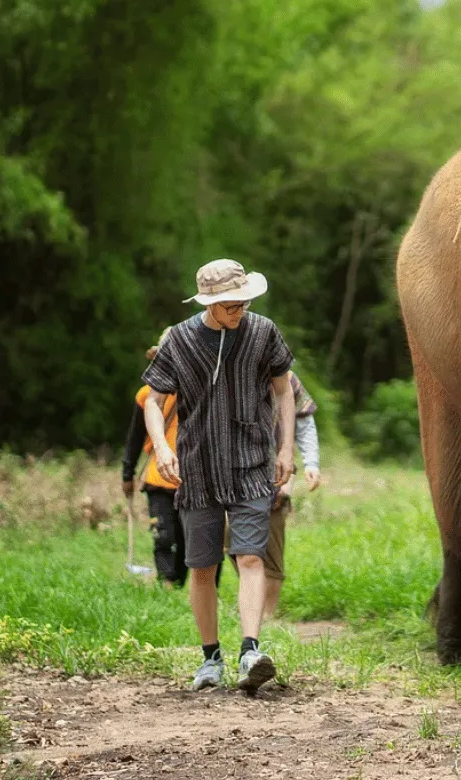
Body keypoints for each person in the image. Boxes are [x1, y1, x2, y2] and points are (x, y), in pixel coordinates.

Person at [143, 258, 296, 694]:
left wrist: (285, 448)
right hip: (199, 467)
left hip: (251, 464)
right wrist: (163, 447)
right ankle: (211, 658)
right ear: (209, 303)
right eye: (230, 304)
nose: (240, 309)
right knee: (203, 567)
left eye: (244, 301)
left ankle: (251, 650)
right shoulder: (179, 339)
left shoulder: (264, 332)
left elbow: (284, 390)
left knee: (250, 557)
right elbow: (154, 400)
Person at [234, 368, 322, 621]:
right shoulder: (231, 372)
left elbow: (304, 423)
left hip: (276, 478)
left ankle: (266, 617)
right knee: (234, 542)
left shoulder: (288, 378)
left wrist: (311, 464)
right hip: (233, 476)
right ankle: (252, 601)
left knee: (270, 550)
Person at [122, 331, 185, 586]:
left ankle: (182, 583)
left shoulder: (198, 391)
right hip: (157, 476)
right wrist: (127, 474)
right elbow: (135, 437)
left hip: (190, 478)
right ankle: (167, 583)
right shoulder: (146, 394)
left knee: (186, 538)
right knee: (162, 534)